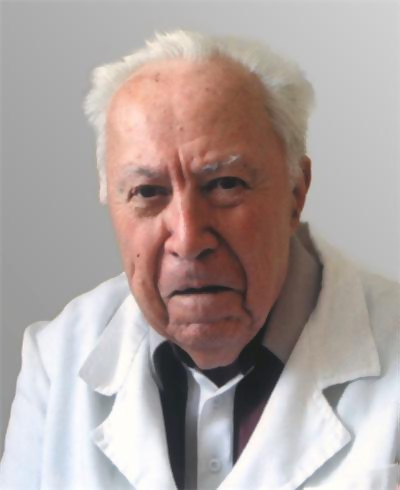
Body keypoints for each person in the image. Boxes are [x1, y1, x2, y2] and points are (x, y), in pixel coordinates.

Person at [0, 30, 399, 490]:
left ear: (296, 191)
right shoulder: (57, 361)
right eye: (148, 192)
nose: (188, 239)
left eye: (226, 185)